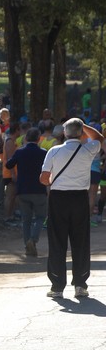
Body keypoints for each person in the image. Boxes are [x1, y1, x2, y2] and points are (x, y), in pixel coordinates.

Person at [40, 118, 104, 298]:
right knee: (81, 242)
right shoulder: (88, 149)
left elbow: (44, 178)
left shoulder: (54, 151)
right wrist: (84, 126)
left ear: (64, 133)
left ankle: (57, 287)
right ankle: (80, 285)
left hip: (59, 198)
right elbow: (99, 137)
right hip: (80, 198)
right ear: (81, 133)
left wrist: (54, 181)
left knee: (57, 241)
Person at [6, 127, 47, 257]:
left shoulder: (20, 152)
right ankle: (33, 240)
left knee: (26, 220)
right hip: (39, 189)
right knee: (40, 217)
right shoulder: (43, 153)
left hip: (22, 190)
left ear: (26, 138)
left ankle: (27, 245)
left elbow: (8, 165)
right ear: (39, 138)